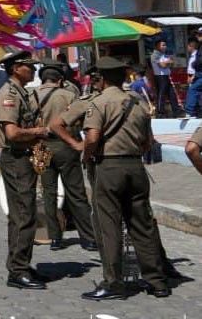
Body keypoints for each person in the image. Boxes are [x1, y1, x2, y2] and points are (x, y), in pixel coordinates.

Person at [80, 57, 169, 301]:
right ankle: (157, 281)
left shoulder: (99, 102)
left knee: (109, 226)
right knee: (142, 225)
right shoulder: (138, 102)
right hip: (135, 166)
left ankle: (113, 283)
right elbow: (148, 141)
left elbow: (92, 137)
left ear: (102, 78)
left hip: (109, 167)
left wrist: (87, 157)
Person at [0, 50, 51, 290]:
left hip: (23, 158)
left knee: (24, 213)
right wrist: (39, 132)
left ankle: (20, 264)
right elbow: (13, 133)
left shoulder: (21, 93)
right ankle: (18, 270)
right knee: (24, 214)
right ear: (16, 68)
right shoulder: (9, 95)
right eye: (29, 66)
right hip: (15, 158)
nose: (34, 70)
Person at [33, 62, 96, 251]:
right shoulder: (69, 95)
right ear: (60, 80)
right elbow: (82, 119)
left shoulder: (31, 96)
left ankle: (54, 238)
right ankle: (88, 237)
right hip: (66, 145)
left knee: (48, 193)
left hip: (40, 146)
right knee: (76, 192)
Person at [149, 40, 179, 117]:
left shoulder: (164, 55)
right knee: (161, 94)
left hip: (166, 76)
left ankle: (176, 110)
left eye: (165, 45)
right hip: (160, 77)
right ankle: (160, 112)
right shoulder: (154, 55)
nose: (164, 46)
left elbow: (172, 63)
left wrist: (168, 62)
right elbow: (162, 65)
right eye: (162, 45)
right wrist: (169, 62)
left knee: (172, 93)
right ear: (157, 46)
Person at [186, 38, 201, 118]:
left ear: (191, 46)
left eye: (188, 46)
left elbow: (197, 67)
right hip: (193, 77)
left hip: (196, 76)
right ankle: (196, 112)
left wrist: (192, 77)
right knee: (196, 95)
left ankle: (190, 112)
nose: (187, 48)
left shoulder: (197, 55)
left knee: (193, 91)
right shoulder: (192, 55)